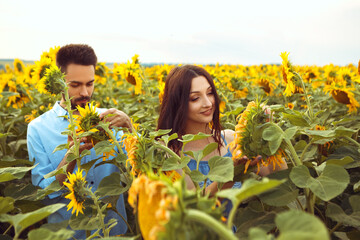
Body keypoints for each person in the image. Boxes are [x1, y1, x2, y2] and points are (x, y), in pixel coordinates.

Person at [27, 44, 131, 238]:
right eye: (75, 85)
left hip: (113, 232)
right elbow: (43, 191)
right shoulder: (38, 128)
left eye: (89, 83)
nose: (85, 92)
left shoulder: (109, 119)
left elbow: (134, 168)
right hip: (68, 234)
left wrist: (130, 127)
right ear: (59, 82)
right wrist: (70, 158)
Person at [157, 65, 287, 196]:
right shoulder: (169, 154)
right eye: (195, 98)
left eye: (210, 93)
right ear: (177, 103)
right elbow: (196, 205)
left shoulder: (231, 140)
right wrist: (233, 172)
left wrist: (269, 133)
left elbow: (280, 181)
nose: (208, 103)